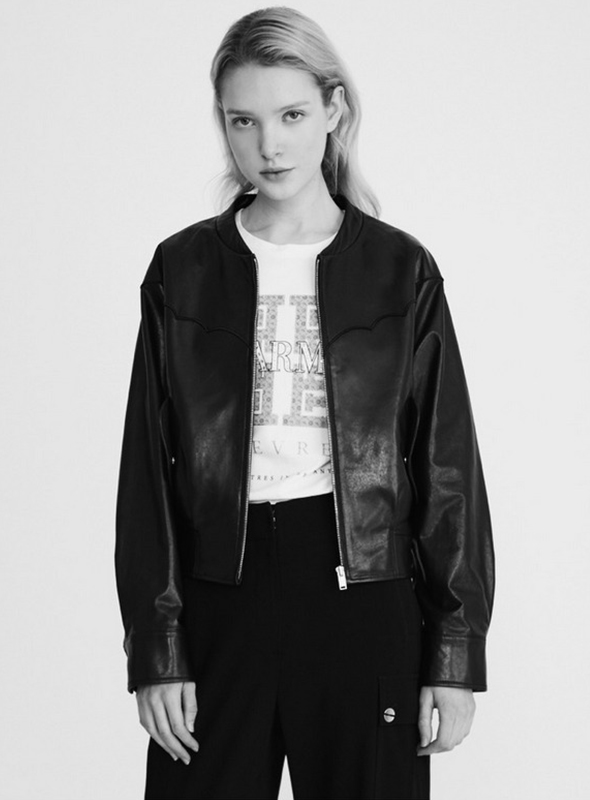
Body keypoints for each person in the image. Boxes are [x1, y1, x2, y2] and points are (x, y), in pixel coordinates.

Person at [115, 7, 495, 800]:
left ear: (333, 109)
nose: (269, 145)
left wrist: (454, 653)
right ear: (223, 125)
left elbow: (447, 469)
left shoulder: (399, 271)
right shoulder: (182, 271)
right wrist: (157, 648)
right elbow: (146, 474)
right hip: (221, 597)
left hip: (365, 597)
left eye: (290, 116)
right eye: (243, 121)